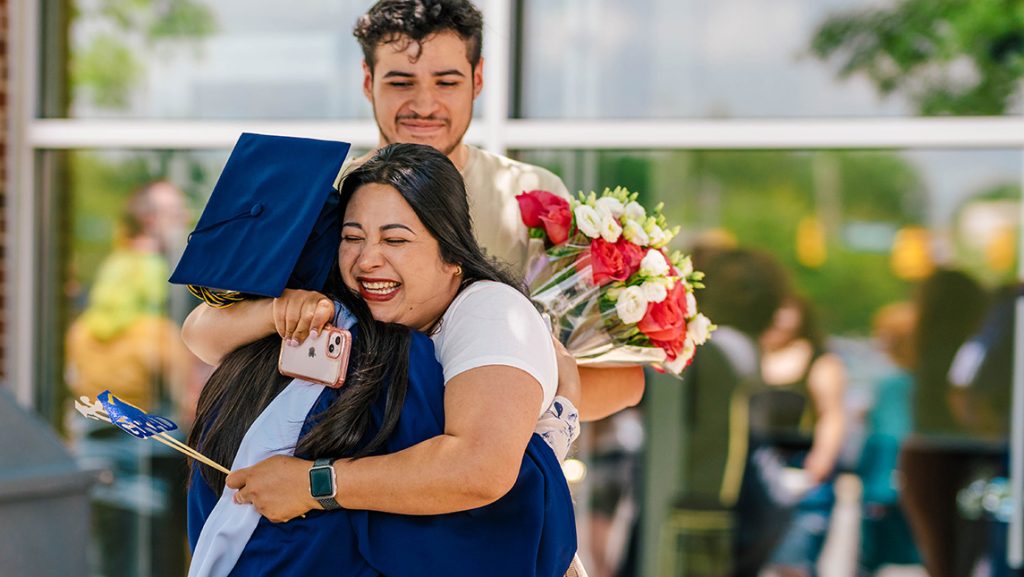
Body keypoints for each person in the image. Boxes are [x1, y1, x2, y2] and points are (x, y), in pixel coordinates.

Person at [185, 143, 577, 577]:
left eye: (395, 239)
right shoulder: (369, 318)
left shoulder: (489, 311)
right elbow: (202, 337)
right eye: (352, 238)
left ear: (451, 252)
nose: (368, 260)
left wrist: (311, 484)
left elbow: (479, 469)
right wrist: (276, 310)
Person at [345, 0, 644, 420]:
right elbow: (221, 340)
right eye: (401, 83)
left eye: (446, 82)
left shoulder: (534, 197)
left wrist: (490, 418)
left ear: (478, 78)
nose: (424, 104)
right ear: (367, 80)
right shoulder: (331, 193)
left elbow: (623, 381)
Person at [65, 180, 196, 577]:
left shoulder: (82, 333)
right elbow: (187, 398)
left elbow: (79, 391)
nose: (185, 221)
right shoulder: (158, 333)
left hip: (99, 466)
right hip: (154, 465)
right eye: (177, 214)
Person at [755, 295, 847, 577]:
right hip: (759, 463)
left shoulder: (820, 360)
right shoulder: (755, 352)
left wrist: (822, 458)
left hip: (799, 469)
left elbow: (831, 414)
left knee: (794, 563)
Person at [857, 302, 920, 575]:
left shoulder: (891, 383)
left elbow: (886, 438)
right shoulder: (924, 384)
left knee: (872, 556)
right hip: (913, 481)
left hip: (887, 482)